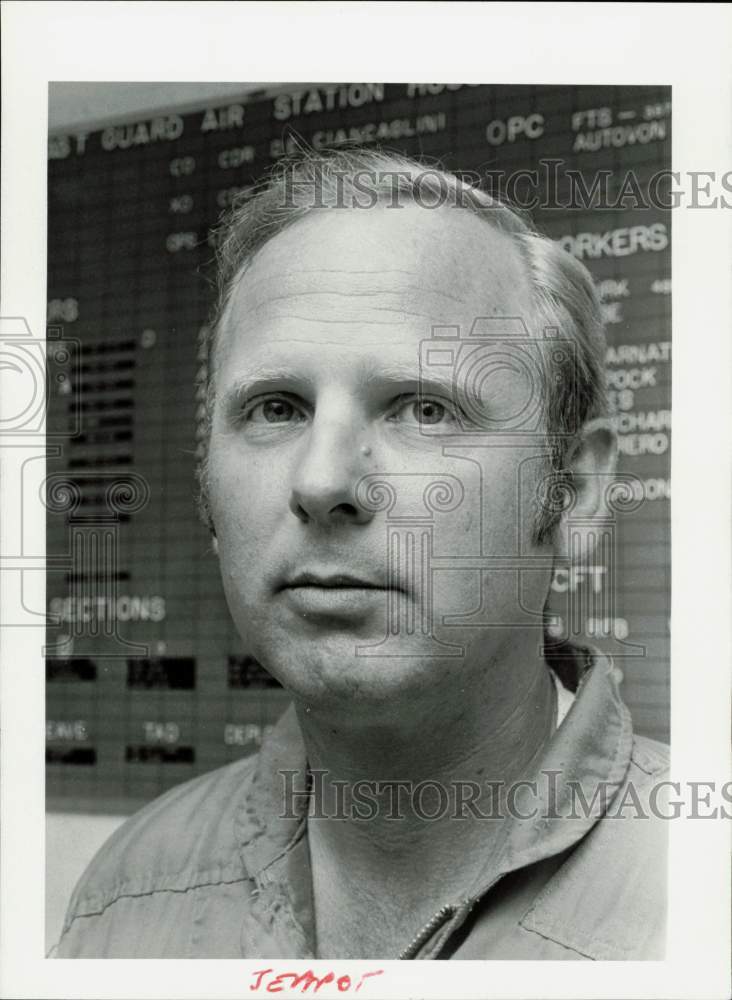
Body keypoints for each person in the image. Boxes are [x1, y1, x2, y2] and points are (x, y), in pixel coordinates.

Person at [56, 149, 668, 960]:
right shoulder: (127, 896)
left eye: (424, 408)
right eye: (276, 407)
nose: (321, 479)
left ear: (575, 493)